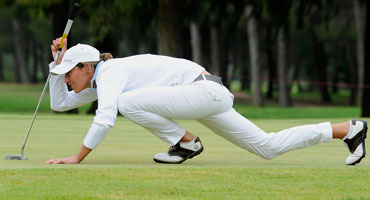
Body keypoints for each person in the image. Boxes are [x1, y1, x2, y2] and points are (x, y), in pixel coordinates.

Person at [44, 37, 367, 165]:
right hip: (206, 96)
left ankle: (186, 144)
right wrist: (54, 65)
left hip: (203, 92)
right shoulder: (103, 79)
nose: (67, 80)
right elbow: (60, 104)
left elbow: (106, 117)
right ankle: (346, 130)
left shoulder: (111, 71)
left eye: (69, 73)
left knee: (126, 104)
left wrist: (77, 157)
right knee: (267, 148)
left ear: (87, 66)